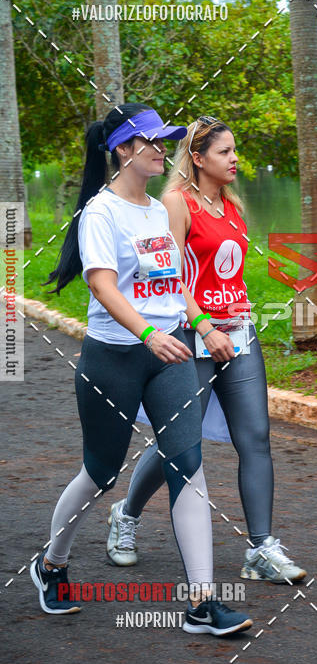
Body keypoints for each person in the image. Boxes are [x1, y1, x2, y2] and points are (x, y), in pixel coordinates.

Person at [31, 103, 252, 636]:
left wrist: (197, 328)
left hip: (170, 352)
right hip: (115, 357)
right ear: (124, 150)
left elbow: (175, 284)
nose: (162, 149)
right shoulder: (100, 213)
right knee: (101, 471)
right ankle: (52, 563)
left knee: (189, 467)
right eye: (151, 141)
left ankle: (202, 602)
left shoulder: (159, 210)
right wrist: (147, 334)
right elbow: (102, 285)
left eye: (164, 141)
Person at [106, 116, 306, 584]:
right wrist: (202, 324)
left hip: (238, 332)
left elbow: (225, 273)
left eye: (235, 151)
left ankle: (261, 548)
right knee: (181, 439)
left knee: (255, 438)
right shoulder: (175, 204)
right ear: (197, 158)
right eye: (224, 152)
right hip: (192, 336)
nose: (235, 159)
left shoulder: (231, 206)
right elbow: (168, 276)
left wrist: (237, 306)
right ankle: (127, 515)